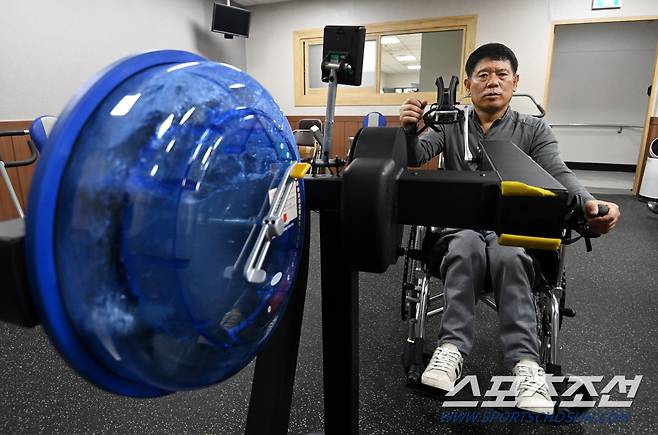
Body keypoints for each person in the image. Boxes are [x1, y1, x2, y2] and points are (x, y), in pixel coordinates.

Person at [399, 43, 620, 415]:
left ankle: (526, 364)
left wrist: (591, 204)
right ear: (467, 85)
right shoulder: (449, 123)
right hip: (461, 231)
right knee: (467, 244)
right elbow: (415, 156)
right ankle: (451, 349)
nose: (493, 82)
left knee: (509, 251)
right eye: (483, 75)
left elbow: (559, 174)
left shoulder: (532, 129)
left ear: (515, 82)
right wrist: (408, 130)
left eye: (501, 75)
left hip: (514, 232)